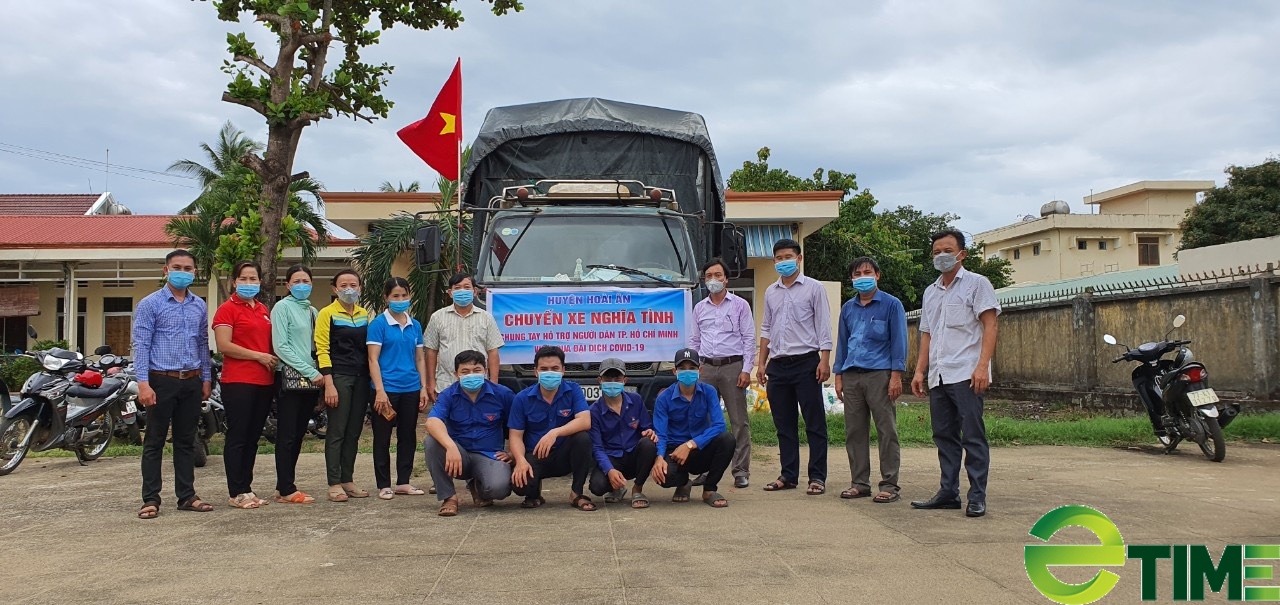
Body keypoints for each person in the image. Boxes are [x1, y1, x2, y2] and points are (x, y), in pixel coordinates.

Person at [910, 230, 1001, 518]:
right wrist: (919, 371)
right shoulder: (930, 291)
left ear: (962, 254)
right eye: (936, 252)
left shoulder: (977, 284)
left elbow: (990, 326)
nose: (941, 256)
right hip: (938, 374)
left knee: (972, 436)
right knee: (944, 436)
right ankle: (948, 492)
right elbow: (927, 334)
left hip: (966, 373)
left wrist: (982, 366)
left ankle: (977, 496)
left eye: (947, 250)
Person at [133, 249, 215, 518]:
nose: (183, 272)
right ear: (166, 270)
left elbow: (202, 343)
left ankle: (187, 496)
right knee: (155, 440)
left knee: (186, 440)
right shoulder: (150, 304)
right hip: (160, 380)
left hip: (191, 381)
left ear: (194, 272)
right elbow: (141, 345)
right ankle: (150, 499)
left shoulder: (198, 305)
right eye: (177, 267)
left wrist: (206, 377)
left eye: (188, 268)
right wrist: (143, 383)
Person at [756, 238, 833, 496]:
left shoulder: (814, 288)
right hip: (777, 364)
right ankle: (788, 475)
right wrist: (761, 362)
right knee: (783, 424)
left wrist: (825, 359)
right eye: (778, 258)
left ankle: (817, 477)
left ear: (798, 259)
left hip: (806, 363)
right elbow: (766, 327)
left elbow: (823, 325)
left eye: (788, 256)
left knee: (814, 423)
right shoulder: (770, 291)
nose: (783, 261)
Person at [833, 257, 907, 503]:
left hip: (880, 375)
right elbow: (842, 343)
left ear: (877, 275)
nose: (862, 277)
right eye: (857, 273)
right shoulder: (848, 308)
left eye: (867, 272)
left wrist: (896, 376)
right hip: (852, 374)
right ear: (851, 278)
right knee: (854, 431)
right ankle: (859, 483)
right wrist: (839, 375)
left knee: (886, 430)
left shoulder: (891, 305)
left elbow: (899, 342)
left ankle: (889, 485)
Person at [212, 260, 279, 509]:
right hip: (239, 380)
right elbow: (224, 346)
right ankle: (236, 491)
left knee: (253, 438)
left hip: (264, 381)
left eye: (253, 279)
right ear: (234, 281)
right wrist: (258, 356)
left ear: (260, 282)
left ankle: (247, 488)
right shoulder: (227, 309)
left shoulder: (263, 309)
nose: (249, 283)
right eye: (244, 279)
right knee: (238, 436)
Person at [689, 257, 755, 489]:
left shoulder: (740, 305)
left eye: (718, 275)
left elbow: (748, 339)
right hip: (706, 368)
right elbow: (694, 340)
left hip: (732, 367)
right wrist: (694, 368)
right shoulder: (699, 308)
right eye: (709, 276)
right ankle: (706, 469)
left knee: (738, 421)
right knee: (704, 420)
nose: (714, 280)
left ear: (726, 279)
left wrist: (747, 369)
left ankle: (740, 471)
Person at [424, 350, 516, 516]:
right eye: (465, 372)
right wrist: (450, 446)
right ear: (456, 374)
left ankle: (477, 486)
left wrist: (513, 452)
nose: (471, 375)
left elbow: (519, 426)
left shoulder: (503, 394)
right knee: (432, 442)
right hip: (458, 456)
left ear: (485, 371)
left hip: (489, 455)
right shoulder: (448, 395)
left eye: (477, 370)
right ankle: (449, 497)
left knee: (500, 489)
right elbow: (432, 422)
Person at [508, 345, 595, 511]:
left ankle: (576, 493)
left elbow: (584, 421)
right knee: (520, 487)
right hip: (536, 455)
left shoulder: (573, 390)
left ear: (563, 370)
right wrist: (520, 461)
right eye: (544, 369)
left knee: (582, 438)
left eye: (555, 368)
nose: (549, 372)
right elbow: (515, 436)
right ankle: (534, 494)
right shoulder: (522, 398)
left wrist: (555, 432)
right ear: (536, 372)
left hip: (564, 455)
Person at [366, 277, 430, 500]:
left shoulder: (415, 325)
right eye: (395, 296)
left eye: (404, 295)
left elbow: (420, 358)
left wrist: (423, 387)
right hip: (386, 389)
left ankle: (404, 481)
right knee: (382, 437)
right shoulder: (378, 325)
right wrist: (380, 391)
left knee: (408, 435)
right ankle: (383, 484)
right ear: (386, 298)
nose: (400, 300)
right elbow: (373, 360)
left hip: (411, 388)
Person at [651, 348, 735, 508]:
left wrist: (690, 445)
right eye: (682, 368)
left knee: (727, 439)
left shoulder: (709, 392)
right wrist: (659, 458)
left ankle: (710, 489)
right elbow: (660, 433)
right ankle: (683, 483)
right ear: (675, 371)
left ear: (700, 370)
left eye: (692, 368)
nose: (687, 372)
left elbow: (719, 425)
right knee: (663, 477)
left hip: (700, 449)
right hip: (675, 453)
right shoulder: (664, 398)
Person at [315, 268, 371, 502]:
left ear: (360, 288)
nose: (349, 289)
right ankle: (334, 483)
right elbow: (322, 349)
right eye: (344, 285)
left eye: (353, 285)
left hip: (362, 378)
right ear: (335, 289)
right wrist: (328, 383)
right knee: (337, 431)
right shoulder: (327, 313)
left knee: (353, 430)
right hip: (339, 376)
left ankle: (348, 479)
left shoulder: (364, 314)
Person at [271, 264, 325, 505]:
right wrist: (309, 371)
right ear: (288, 285)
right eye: (297, 281)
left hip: (311, 380)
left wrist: (318, 373)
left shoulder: (313, 310)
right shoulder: (282, 308)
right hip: (291, 378)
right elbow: (281, 346)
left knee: (299, 433)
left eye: (306, 281)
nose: (302, 285)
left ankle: (284, 484)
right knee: (287, 434)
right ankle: (286, 488)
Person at [587, 358, 657, 508]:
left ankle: (637, 489)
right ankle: (617, 488)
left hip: (633, 456)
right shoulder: (594, 411)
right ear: (599, 380)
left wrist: (650, 432)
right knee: (597, 487)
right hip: (612, 457)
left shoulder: (636, 400)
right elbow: (597, 448)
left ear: (624, 380)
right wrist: (609, 470)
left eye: (617, 378)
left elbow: (647, 427)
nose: (612, 381)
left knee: (649, 444)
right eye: (608, 378)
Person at [424, 273, 504, 403]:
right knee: (445, 422)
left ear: (474, 291)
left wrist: (493, 383)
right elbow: (431, 352)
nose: (462, 291)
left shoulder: (486, 317)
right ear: (450, 292)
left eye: (467, 287)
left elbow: (493, 352)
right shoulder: (437, 317)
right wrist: (431, 383)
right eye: (457, 288)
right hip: (446, 384)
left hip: (479, 385)